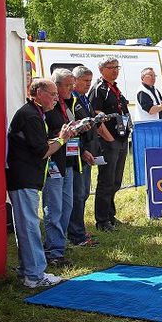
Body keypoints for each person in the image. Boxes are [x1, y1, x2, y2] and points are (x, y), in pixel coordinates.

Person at [6, 79, 76, 288]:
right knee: (29, 226)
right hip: (23, 177)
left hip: (26, 177)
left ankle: (28, 271)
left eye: (57, 94)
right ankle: (34, 276)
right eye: (52, 93)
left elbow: (39, 145)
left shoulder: (35, 114)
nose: (56, 98)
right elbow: (43, 151)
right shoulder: (30, 115)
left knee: (27, 225)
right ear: (37, 93)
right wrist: (62, 139)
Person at [42, 69, 85, 266]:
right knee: (54, 208)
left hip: (69, 162)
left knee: (67, 207)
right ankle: (54, 251)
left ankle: (59, 244)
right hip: (54, 163)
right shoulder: (48, 107)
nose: (71, 88)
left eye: (72, 85)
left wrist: (77, 127)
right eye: (67, 85)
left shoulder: (68, 102)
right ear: (56, 86)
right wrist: (63, 133)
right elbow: (45, 135)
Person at [89, 57, 131, 232]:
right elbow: (96, 114)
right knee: (106, 181)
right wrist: (109, 139)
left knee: (116, 181)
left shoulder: (114, 88)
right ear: (101, 70)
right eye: (111, 67)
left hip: (121, 139)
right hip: (108, 141)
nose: (115, 70)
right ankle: (102, 220)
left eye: (117, 67)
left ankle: (110, 215)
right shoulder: (99, 89)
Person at [67, 66, 100, 247]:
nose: (89, 85)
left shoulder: (83, 98)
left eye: (90, 81)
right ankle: (76, 234)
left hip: (87, 151)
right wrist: (82, 150)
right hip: (77, 153)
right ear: (75, 80)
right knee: (77, 195)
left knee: (83, 193)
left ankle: (78, 230)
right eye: (85, 81)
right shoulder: (71, 99)